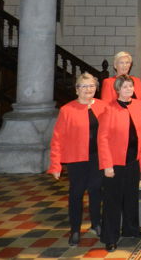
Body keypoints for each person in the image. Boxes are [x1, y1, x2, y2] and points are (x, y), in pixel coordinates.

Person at [48, 73, 106, 246]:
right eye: (83, 86)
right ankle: (75, 230)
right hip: (76, 158)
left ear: (96, 88)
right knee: (76, 194)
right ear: (76, 89)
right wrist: (55, 164)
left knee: (96, 191)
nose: (88, 90)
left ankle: (96, 224)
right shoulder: (67, 110)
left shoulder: (103, 106)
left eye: (91, 86)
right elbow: (57, 138)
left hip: (98, 157)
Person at [98, 75, 141, 252]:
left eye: (131, 86)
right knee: (113, 201)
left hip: (133, 161)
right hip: (115, 163)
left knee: (130, 198)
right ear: (118, 89)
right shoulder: (109, 109)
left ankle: (131, 229)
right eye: (125, 87)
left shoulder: (139, 106)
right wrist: (107, 165)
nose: (129, 89)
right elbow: (102, 138)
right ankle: (110, 237)